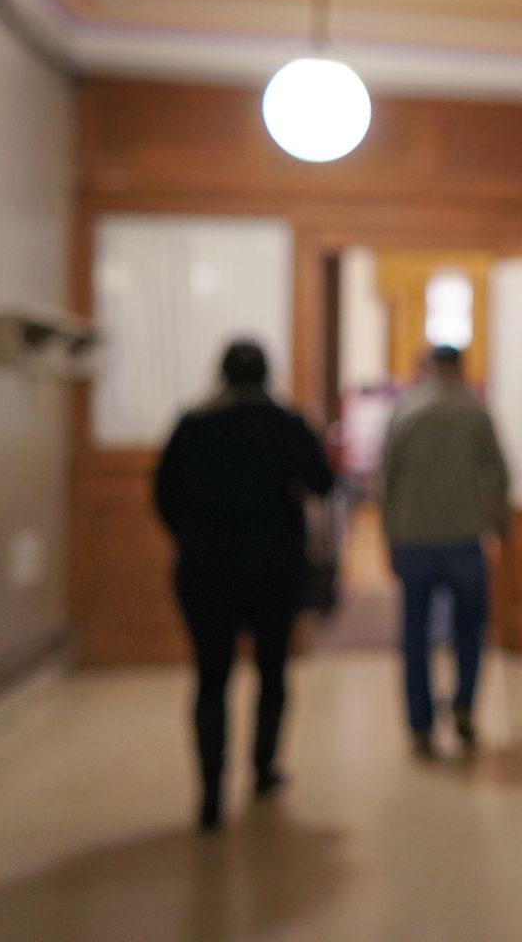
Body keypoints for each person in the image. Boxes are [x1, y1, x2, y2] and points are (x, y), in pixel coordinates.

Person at [154, 340, 335, 832]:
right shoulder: (288, 424)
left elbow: (165, 495)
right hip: (275, 569)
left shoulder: (193, 425)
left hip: (206, 570)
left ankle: (211, 791)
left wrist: (191, 537)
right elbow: (323, 482)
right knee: (272, 671)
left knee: (211, 677)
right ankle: (263, 769)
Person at [380, 345, 511, 759]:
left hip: (413, 540)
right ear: (460, 369)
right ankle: (464, 706)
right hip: (463, 539)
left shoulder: (405, 411)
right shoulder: (476, 412)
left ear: (430, 368)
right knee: (469, 630)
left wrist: (388, 537)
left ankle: (420, 724)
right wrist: (503, 527)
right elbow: (499, 475)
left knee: (414, 636)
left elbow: (386, 480)